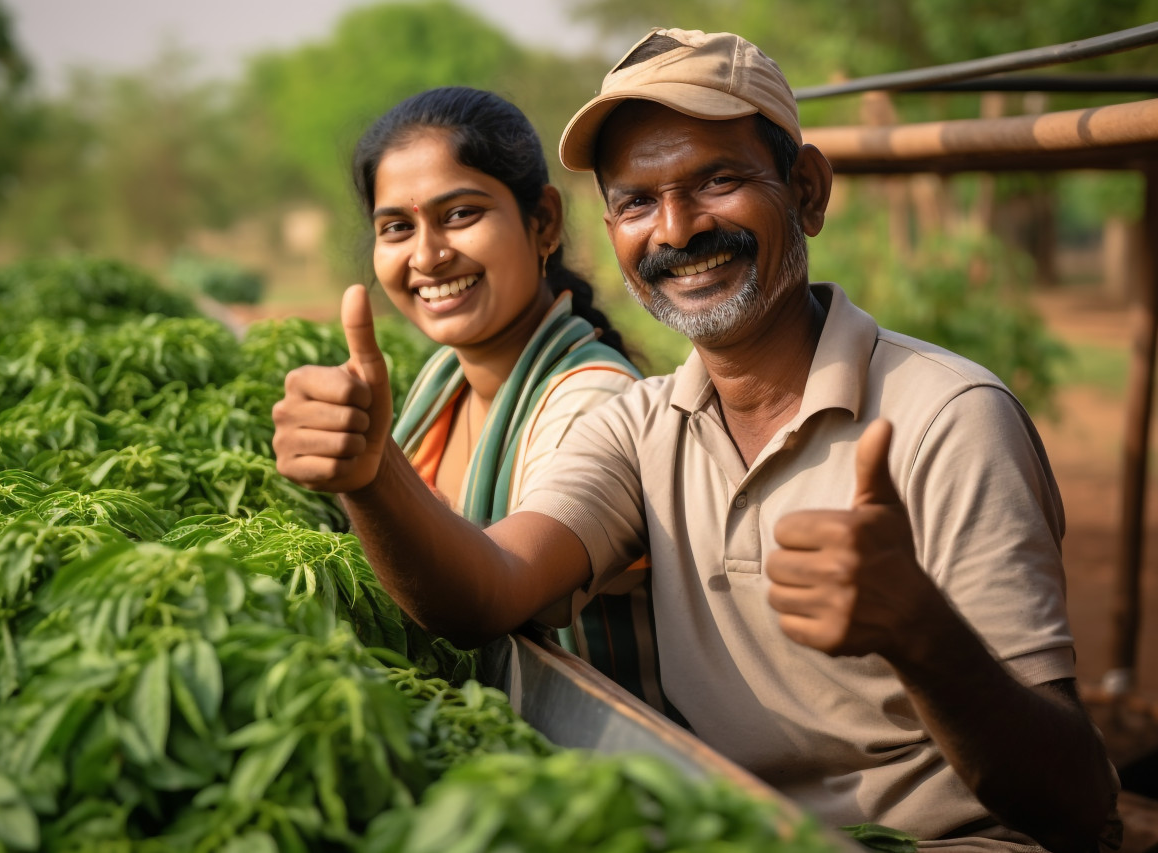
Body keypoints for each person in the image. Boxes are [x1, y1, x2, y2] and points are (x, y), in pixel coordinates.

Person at [274, 29, 1119, 853]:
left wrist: (919, 634)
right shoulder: (639, 427)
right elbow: (484, 595)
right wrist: (371, 473)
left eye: (717, 181)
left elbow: (1076, 808)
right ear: (609, 232)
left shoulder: (948, 416)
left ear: (810, 191)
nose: (676, 229)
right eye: (637, 201)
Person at [315, 86, 670, 711]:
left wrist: (371, 473)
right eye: (397, 227)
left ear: (544, 223)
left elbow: (489, 597)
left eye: (460, 215)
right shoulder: (440, 381)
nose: (427, 255)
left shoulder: (592, 401)